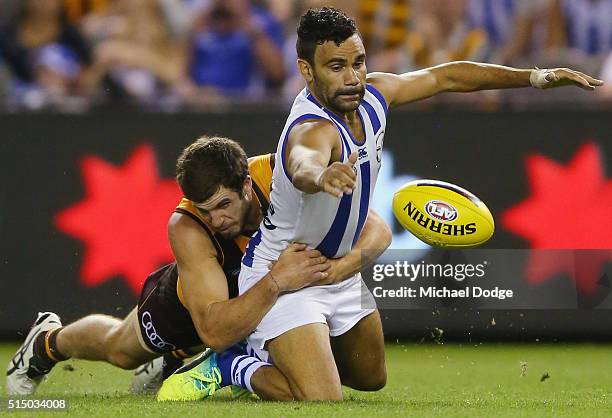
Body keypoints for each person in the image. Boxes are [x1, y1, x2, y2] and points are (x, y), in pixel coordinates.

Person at [160, 6, 603, 402]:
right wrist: (321, 175)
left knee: (371, 379)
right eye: (336, 67)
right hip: (288, 270)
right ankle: (232, 366)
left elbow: (446, 76)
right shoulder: (313, 128)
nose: (352, 77)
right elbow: (301, 160)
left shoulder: (375, 95)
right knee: (321, 399)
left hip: (335, 270)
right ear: (306, 70)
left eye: (358, 62)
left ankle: (278, 353)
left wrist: (534, 77)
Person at [6, 136, 392, 399]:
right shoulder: (188, 227)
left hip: (267, 299)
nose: (216, 220)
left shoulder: (281, 177)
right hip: (203, 304)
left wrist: (341, 269)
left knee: (359, 377)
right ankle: (47, 342)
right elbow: (213, 329)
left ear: (244, 185)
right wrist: (276, 280)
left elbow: (375, 228)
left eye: (223, 205)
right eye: (204, 209)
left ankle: (192, 363)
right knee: (122, 350)